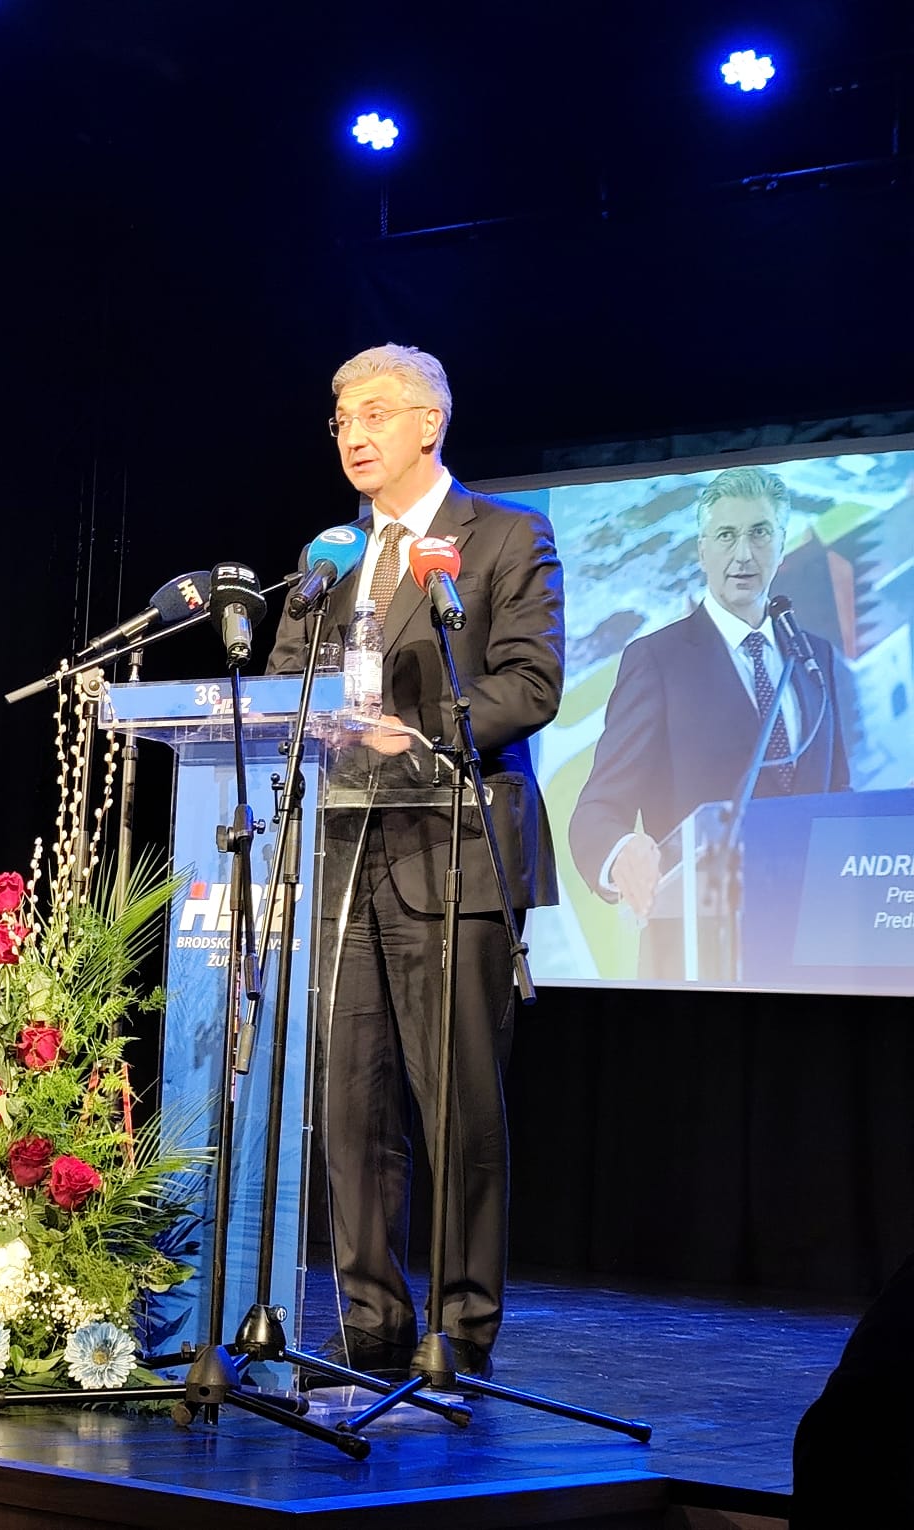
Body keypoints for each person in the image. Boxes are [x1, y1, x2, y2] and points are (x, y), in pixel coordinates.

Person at [267, 343, 564, 1384]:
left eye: (376, 414)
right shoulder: (330, 556)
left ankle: (460, 1331)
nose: (354, 434)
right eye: (342, 417)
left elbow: (531, 682)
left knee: (458, 1108)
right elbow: (286, 684)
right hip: (345, 852)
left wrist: (420, 731)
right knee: (351, 1107)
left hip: (454, 852)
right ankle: (371, 1324)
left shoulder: (505, 536)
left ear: (429, 423)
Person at [568, 466, 849, 980]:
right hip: (699, 957)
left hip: (812, 947)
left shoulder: (816, 657)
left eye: (759, 533)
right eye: (726, 535)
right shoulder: (657, 660)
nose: (743, 553)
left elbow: (838, 791)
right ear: (702, 551)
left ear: (781, 544)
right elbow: (597, 810)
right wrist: (621, 852)